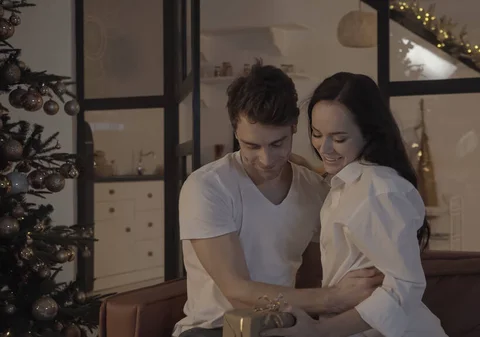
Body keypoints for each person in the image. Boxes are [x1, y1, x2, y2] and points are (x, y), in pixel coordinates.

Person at [172, 62, 384, 337]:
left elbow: (313, 276)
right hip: (212, 329)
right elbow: (238, 293)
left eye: (277, 144)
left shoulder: (314, 190)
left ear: (295, 127)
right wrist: (334, 297)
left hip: (283, 325)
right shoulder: (207, 187)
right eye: (251, 146)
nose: (266, 159)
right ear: (236, 131)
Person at [262, 73, 447, 337]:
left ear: (368, 134)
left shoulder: (377, 191)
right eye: (316, 133)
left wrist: (319, 331)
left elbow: (405, 286)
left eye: (338, 139)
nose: (324, 148)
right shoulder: (348, 184)